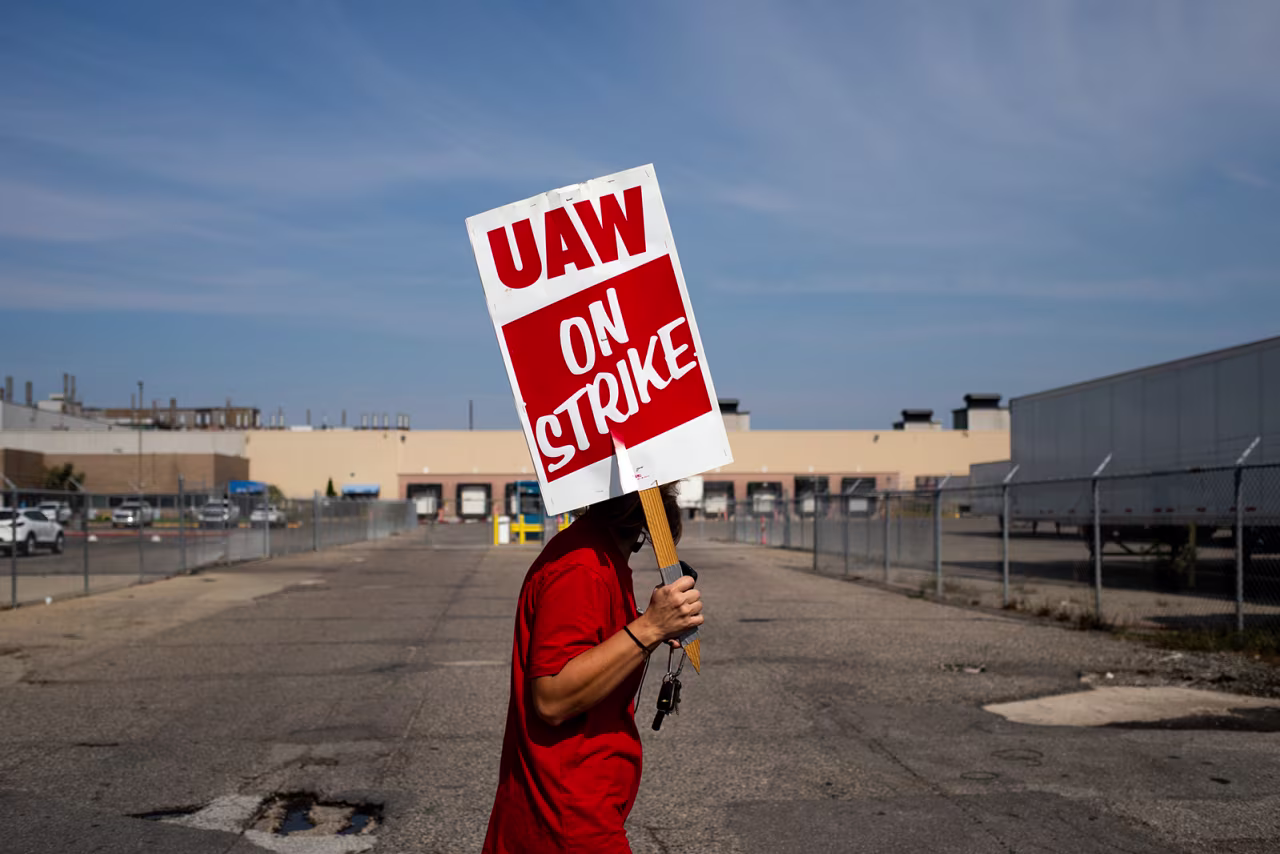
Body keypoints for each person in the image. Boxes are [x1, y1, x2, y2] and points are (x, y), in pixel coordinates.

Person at [482, 483, 703, 854]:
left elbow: (587, 643)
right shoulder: (582, 567)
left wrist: (646, 627)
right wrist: (649, 627)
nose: (672, 498)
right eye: (666, 487)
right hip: (567, 818)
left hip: (573, 808)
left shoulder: (599, 557)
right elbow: (552, 697)